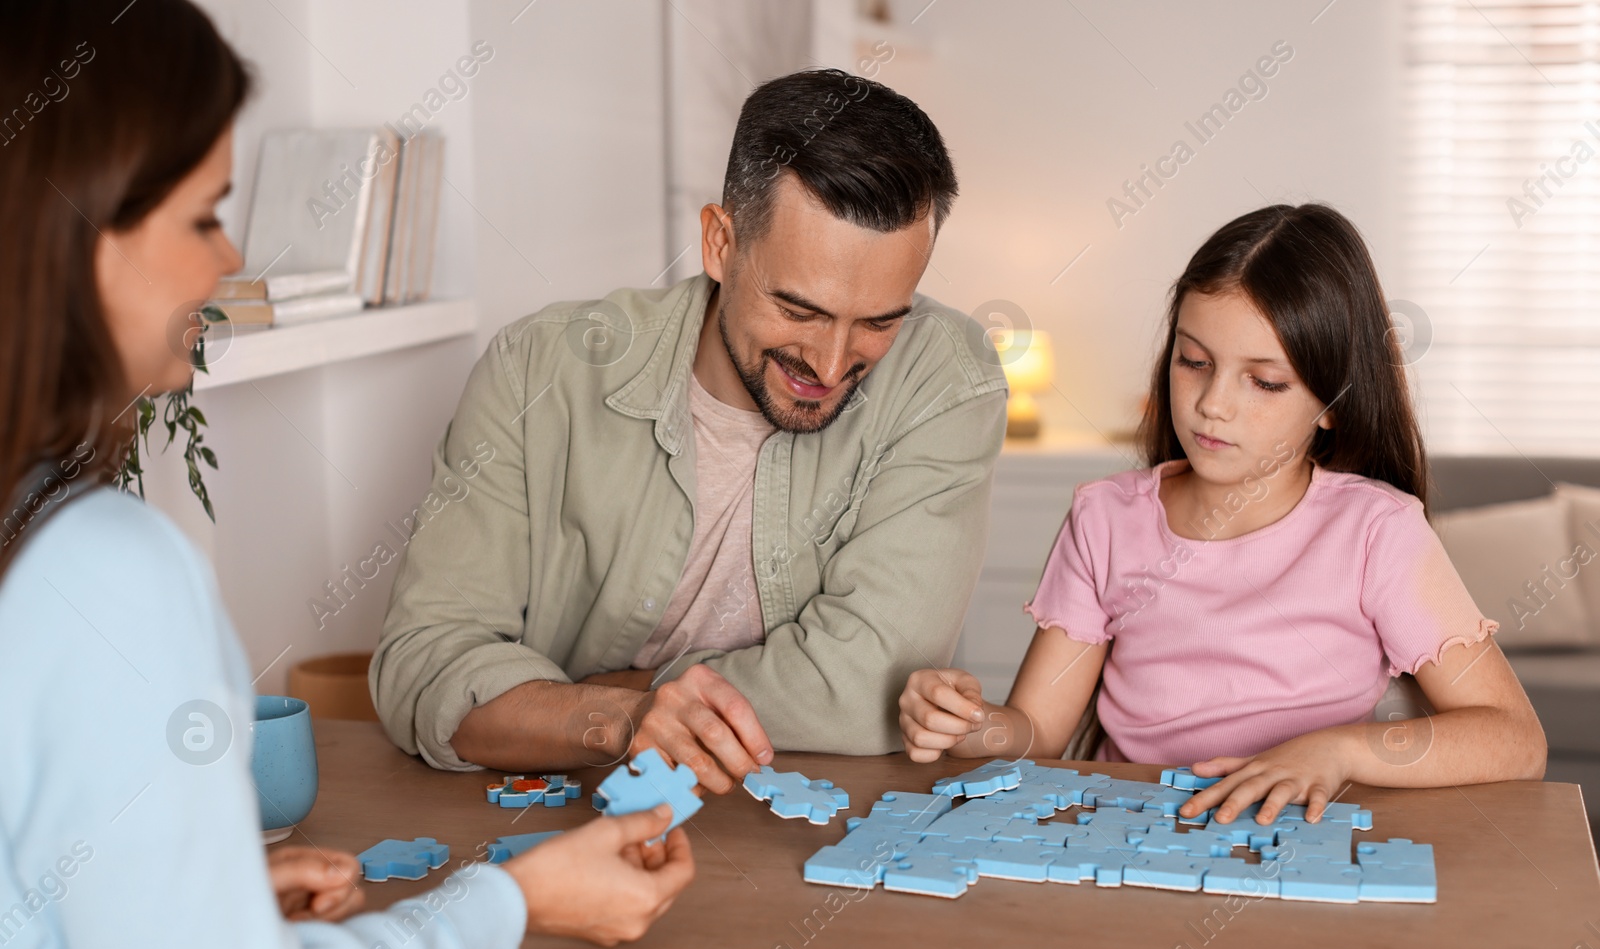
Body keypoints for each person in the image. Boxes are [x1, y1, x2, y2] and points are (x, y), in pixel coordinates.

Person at [0, 4, 692, 949]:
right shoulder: (103, 568)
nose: (226, 258)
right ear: (75, 232)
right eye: (201, 218)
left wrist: (185, 902)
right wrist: (503, 904)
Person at [372, 69, 1009, 788]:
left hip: (813, 841)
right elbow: (421, 667)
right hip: (568, 827)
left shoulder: (948, 372)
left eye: (879, 321)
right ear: (719, 243)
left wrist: (592, 699)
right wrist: (622, 721)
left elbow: (870, 694)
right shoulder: (537, 371)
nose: (831, 364)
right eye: (800, 310)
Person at [896, 204, 1548, 824]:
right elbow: (1036, 733)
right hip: (1126, 841)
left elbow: (1514, 738)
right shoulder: (1106, 521)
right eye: (1194, 362)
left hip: (1296, 844)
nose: (1213, 404)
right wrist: (971, 722)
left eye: (1263, 381)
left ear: (1333, 403)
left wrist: (1339, 749)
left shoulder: (1378, 533)